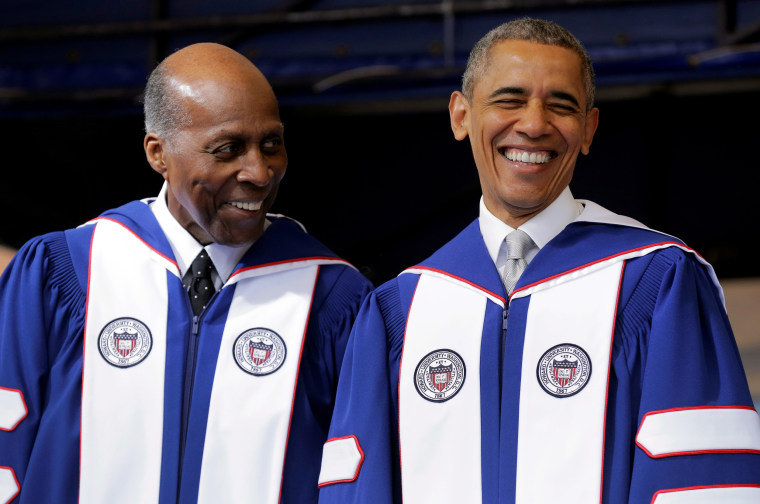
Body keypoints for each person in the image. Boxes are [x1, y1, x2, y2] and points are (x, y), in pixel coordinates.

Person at [317, 18, 760, 504]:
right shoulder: (399, 310)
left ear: (588, 129)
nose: (533, 124)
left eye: (561, 105)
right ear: (460, 116)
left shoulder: (656, 282)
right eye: (509, 100)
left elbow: (699, 483)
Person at [0, 42, 372, 503]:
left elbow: (354, 477)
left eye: (271, 144)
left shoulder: (332, 298)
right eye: (228, 149)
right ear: (159, 153)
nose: (259, 171)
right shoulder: (68, 274)